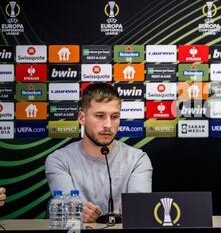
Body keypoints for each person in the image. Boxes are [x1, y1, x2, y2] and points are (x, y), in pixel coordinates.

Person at [45, 83, 153, 223]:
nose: (108, 125)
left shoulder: (138, 159)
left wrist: (137, 210)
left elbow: (139, 208)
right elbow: (67, 206)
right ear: (82, 118)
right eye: (100, 116)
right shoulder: (59, 160)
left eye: (114, 117)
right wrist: (76, 211)